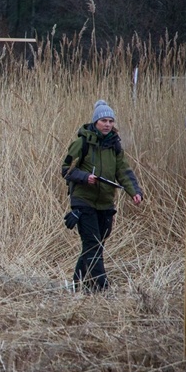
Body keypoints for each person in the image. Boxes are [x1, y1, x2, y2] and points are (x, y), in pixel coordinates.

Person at [61, 99, 143, 291]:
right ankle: (101, 287)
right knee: (93, 243)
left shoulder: (115, 146)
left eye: (110, 121)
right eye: (103, 120)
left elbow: (123, 171)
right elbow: (66, 169)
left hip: (106, 203)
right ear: (95, 122)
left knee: (94, 247)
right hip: (83, 201)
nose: (107, 124)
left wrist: (135, 192)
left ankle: (77, 286)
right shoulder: (81, 143)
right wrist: (84, 177)